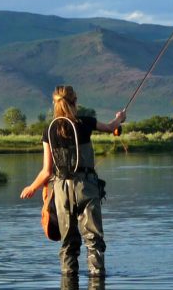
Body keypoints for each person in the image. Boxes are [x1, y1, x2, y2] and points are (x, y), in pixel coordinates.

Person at [20, 85, 125, 277]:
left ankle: (68, 284)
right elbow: (111, 128)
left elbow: (46, 171)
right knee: (93, 239)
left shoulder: (49, 130)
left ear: (55, 104)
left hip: (61, 190)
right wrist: (120, 118)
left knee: (68, 241)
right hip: (86, 187)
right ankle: (97, 280)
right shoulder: (85, 122)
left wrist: (32, 188)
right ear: (75, 101)